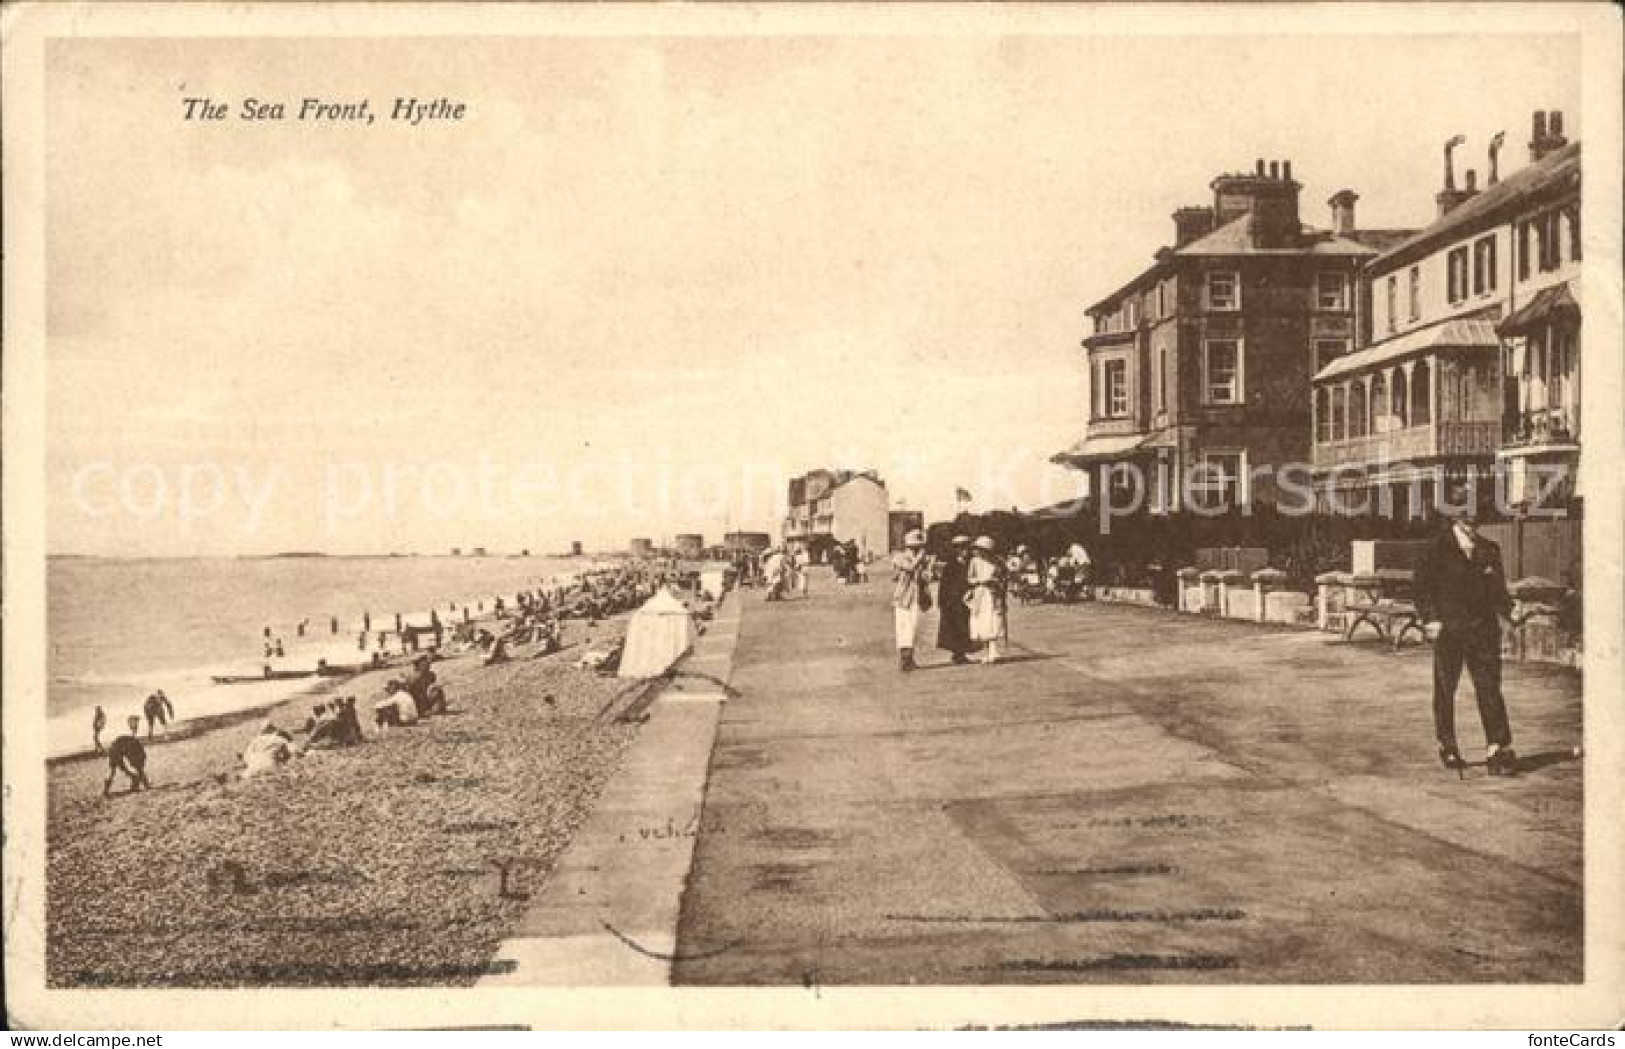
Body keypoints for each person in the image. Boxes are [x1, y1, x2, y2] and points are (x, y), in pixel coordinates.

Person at [1415, 496, 1517, 776]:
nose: (1473, 521)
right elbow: (1422, 590)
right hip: (1448, 630)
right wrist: (1431, 619)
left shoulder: (1489, 549)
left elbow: (1498, 592)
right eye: (1466, 515)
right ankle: (1447, 745)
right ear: (1455, 517)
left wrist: (1510, 613)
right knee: (1446, 689)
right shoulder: (1435, 549)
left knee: (1489, 688)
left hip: (1483, 631)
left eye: (1476, 516)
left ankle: (1498, 748)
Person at [891, 529, 933, 671]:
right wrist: (919, 560)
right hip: (903, 598)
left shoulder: (921, 560)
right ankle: (904, 659)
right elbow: (908, 568)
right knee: (904, 627)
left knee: (914, 628)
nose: (917, 550)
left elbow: (925, 577)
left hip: (916, 597)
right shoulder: (899, 557)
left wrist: (927, 571)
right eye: (914, 547)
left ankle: (910, 657)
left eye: (918, 547)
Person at [966, 535, 1008, 665]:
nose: (981, 552)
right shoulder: (974, 561)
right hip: (980, 594)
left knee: (994, 620)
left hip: (993, 593)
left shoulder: (998, 562)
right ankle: (985, 652)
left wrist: (997, 581)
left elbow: (1004, 577)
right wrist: (979, 581)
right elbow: (969, 578)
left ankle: (993, 651)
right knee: (981, 622)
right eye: (979, 549)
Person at [936, 535, 974, 664]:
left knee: (964, 625)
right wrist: (942, 602)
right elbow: (944, 585)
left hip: (966, 600)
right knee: (954, 627)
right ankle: (957, 653)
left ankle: (961, 652)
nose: (965, 551)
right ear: (956, 550)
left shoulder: (970, 563)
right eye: (961, 548)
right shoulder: (951, 565)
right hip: (952, 601)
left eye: (966, 548)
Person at [104, 716, 150, 796]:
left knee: (113, 770)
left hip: (114, 747)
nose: (137, 724)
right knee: (136, 768)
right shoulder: (132, 738)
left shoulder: (125, 733)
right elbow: (137, 762)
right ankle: (143, 783)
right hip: (122, 746)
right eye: (136, 722)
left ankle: (106, 790)